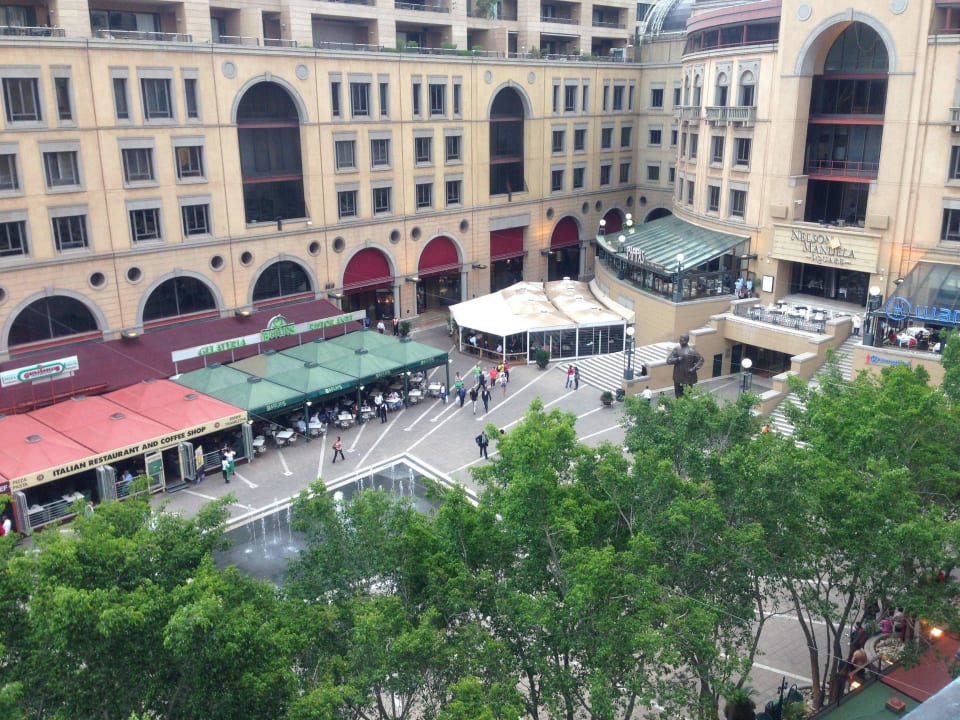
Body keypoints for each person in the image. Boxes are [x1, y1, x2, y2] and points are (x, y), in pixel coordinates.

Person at [666, 333, 704, 398]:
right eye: (680, 339)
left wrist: (694, 368)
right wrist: (677, 359)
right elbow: (668, 361)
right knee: (678, 395)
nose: (680, 341)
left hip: (688, 377)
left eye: (682, 340)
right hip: (677, 377)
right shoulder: (677, 349)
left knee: (688, 395)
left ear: (686, 341)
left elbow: (701, 360)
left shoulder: (692, 351)